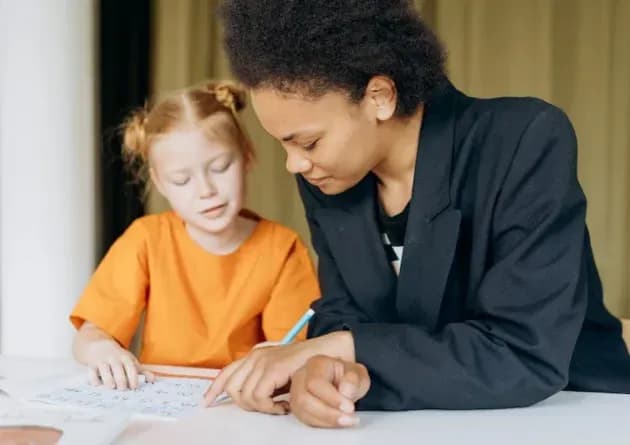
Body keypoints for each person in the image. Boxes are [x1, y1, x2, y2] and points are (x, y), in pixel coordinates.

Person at [203, 0, 630, 428]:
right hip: (412, 422)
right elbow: (340, 313)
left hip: (570, 412)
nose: (293, 164)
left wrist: (338, 349)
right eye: (283, 144)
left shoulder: (523, 139)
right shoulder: (329, 176)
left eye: (309, 143)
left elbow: (523, 352)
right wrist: (322, 372)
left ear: (380, 97)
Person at [69, 81, 320, 391]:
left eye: (220, 167)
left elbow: (294, 350)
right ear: (160, 183)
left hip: (240, 404)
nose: (206, 191)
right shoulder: (146, 240)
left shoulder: (282, 248)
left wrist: (281, 355)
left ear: (248, 157)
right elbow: (90, 334)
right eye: (182, 179)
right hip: (159, 404)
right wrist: (100, 348)